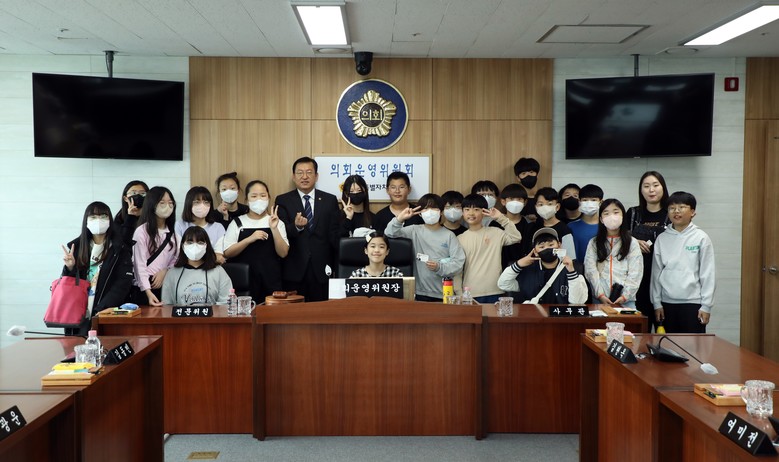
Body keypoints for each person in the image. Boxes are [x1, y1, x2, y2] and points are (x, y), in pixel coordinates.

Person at [60, 201, 134, 335]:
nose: (98, 221)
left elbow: (123, 283)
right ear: (86, 221)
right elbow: (67, 285)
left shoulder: (119, 248)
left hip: (106, 315)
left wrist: (101, 308)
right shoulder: (77, 248)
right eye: (93, 217)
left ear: (110, 220)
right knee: (77, 347)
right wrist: (70, 268)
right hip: (77, 316)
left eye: (103, 216)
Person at [276, 157, 340, 301]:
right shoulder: (283, 200)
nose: (304, 177)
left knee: (321, 311)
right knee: (294, 313)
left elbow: (333, 235)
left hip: (322, 269)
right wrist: (296, 226)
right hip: (294, 269)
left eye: (309, 172)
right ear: (293, 176)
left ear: (316, 176)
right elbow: (281, 233)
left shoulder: (330, 200)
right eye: (300, 173)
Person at [651, 191, 715, 333]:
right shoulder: (662, 238)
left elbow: (708, 274)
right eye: (672, 208)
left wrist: (706, 306)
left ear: (692, 212)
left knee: (694, 345)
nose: (676, 211)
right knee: (667, 345)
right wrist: (656, 303)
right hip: (666, 303)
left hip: (693, 303)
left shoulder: (701, 238)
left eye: (682, 207)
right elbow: (656, 274)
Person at [385, 193, 466, 302]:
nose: (430, 212)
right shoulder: (414, 230)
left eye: (434, 208)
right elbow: (390, 233)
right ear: (420, 213)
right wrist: (400, 219)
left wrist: (439, 267)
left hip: (443, 292)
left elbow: (458, 262)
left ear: (441, 212)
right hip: (419, 292)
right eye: (426, 209)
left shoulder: (449, 235)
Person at [222, 180, 289, 302]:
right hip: (245, 282)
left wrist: (274, 229)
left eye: (263, 196)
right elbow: (228, 253)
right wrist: (249, 239)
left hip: (271, 280)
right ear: (246, 200)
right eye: (254, 196)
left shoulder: (277, 222)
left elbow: (283, 253)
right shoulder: (237, 222)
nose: (259, 200)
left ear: (268, 198)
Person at [626, 171, 671, 330]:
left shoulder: (671, 214)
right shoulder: (633, 213)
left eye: (655, 185)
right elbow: (620, 240)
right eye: (646, 186)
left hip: (663, 278)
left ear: (663, 187)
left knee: (663, 331)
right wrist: (633, 242)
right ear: (641, 190)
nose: (651, 190)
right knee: (638, 330)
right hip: (637, 279)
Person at [457, 194, 521, 303]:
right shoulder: (459, 239)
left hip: (495, 291)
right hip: (470, 293)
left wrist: (501, 218)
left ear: (484, 212)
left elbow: (516, 237)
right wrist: (459, 293)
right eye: (467, 209)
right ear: (462, 212)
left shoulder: (495, 232)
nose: (471, 213)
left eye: (476, 209)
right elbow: (457, 270)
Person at [498, 227, 588, 304]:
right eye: (542, 247)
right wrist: (518, 264)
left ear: (559, 246)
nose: (547, 248)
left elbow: (577, 302)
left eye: (551, 245)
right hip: (534, 317)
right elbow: (503, 284)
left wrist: (571, 271)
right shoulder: (527, 270)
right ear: (535, 251)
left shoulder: (574, 268)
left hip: (561, 317)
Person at [584, 199, 643, 308]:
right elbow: (590, 270)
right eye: (606, 213)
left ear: (623, 216)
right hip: (599, 300)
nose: (611, 216)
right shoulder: (594, 243)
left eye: (616, 212)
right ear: (601, 219)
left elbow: (636, 272)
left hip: (626, 301)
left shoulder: (632, 242)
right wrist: (600, 295)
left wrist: (625, 296)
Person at [132, 186, 179, 306]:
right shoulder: (142, 231)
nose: (167, 206)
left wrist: (165, 271)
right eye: (162, 203)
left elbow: (176, 259)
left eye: (170, 203)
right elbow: (139, 265)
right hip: (144, 289)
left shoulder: (174, 234)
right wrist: (148, 292)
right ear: (152, 204)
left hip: (165, 286)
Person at [162, 227, 232, 306]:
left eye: (200, 242)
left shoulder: (218, 272)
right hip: (182, 314)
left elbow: (226, 303)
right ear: (182, 246)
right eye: (190, 242)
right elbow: (166, 305)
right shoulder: (172, 274)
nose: (195, 246)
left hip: (213, 314)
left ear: (206, 245)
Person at [175, 186, 226, 263]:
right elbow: (178, 253)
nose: (202, 205)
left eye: (206, 202)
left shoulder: (218, 227)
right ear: (189, 204)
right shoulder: (180, 225)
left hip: (210, 268)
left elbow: (219, 257)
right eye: (197, 202)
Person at [527, 187, 576, 259]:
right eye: (541, 204)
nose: (545, 207)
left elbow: (570, 257)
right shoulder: (534, 228)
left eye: (549, 204)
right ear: (536, 207)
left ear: (557, 207)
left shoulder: (564, 230)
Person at [497, 183, 532, 267]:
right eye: (511, 199)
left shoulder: (529, 224)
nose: (515, 202)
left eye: (519, 199)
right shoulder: (495, 223)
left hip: (523, 267)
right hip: (499, 267)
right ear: (503, 201)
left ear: (525, 202)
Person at [568, 184, 603, 262]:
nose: (589, 203)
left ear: (600, 202)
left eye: (593, 200)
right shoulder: (571, 227)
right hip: (576, 267)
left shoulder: (606, 226)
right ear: (579, 202)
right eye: (585, 200)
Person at [114, 180, 148, 244]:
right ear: (125, 198)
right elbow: (123, 241)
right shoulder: (119, 219)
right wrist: (130, 216)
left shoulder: (152, 217)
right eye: (133, 193)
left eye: (142, 193)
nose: (138, 196)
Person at [514, 157, 540, 221]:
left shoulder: (542, 197)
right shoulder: (513, 199)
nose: (528, 175)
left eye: (531, 172)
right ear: (518, 178)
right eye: (524, 173)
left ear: (537, 175)